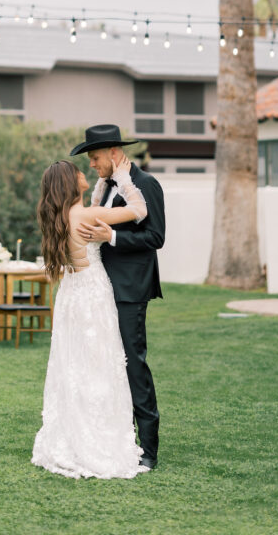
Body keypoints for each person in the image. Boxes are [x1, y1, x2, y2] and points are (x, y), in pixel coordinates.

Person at [31, 155, 149, 479]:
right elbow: (139, 210)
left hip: (70, 296)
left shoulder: (61, 217)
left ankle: (72, 435)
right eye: (78, 172)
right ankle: (98, 440)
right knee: (98, 366)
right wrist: (123, 179)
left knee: (74, 367)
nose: (85, 172)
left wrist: (100, 186)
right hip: (93, 294)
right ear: (71, 184)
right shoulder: (88, 215)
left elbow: (92, 205)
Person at [73, 123, 165, 470]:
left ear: (114, 153)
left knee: (132, 362)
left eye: (95, 158)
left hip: (129, 289)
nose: (92, 165)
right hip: (100, 288)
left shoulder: (146, 185)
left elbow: (156, 237)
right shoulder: (104, 189)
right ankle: (115, 437)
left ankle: (149, 448)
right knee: (108, 364)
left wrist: (112, 237)